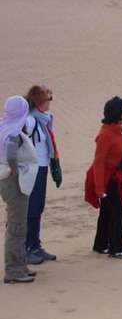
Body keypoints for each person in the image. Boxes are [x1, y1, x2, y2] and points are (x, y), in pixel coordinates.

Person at [0, 96, 39, 283]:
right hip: (13, 182)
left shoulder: (4, 125)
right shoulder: (13, 131)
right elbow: (10, 152)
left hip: (6, 181)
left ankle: (20, 265)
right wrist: (14, 169)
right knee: (17, 226)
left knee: (17, 224)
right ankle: (14, 270)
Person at [88, 97, 122, 259]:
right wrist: (99, 188)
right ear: (117, 113)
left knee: (107, 212)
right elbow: (98, 163)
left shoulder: (119, 128)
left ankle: (101, 244)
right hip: (107, 180)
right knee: (116, 213)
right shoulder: (105, 134)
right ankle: (117, 248)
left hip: (115, 176)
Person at [23, 85, 61, 264]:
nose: (50, 102)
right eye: (48, 99)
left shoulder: (43, 119)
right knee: (31, 208)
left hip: (42, 167)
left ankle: (35, 245)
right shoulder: (30, 121)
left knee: (38, 207)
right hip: (32, 169)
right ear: (39, 102)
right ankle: (27, 247)